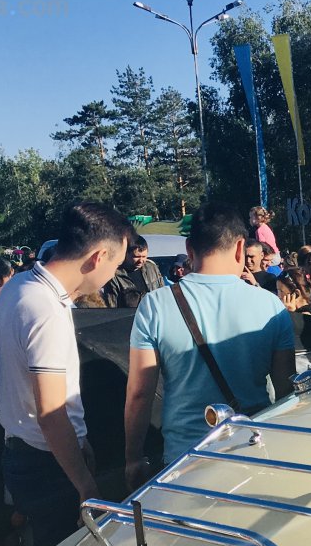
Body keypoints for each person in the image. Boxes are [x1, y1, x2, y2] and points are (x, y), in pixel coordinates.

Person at [123, 203, 297, 488]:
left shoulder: (155, 304)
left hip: (185, 459)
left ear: (189, 249)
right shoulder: (271, 306)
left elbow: (140, 394)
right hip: (252, 449)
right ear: (241, 248)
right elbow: (287, 391)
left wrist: (132, 458)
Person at [0, 201, 129, 546]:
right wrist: (86, 486)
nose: (114, 274)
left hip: (25, 453)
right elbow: (52, 413)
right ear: (98, 257)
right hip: (48, 466)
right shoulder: (46, 309)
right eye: (116, 264)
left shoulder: (19, 287)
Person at [101, 233, 165, 309]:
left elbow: (162, 293)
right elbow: (112, 305)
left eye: (144, 256)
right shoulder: (114, 276)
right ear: (126, 254)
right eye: (137, 257)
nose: (141, 260)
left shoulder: (151, 267)